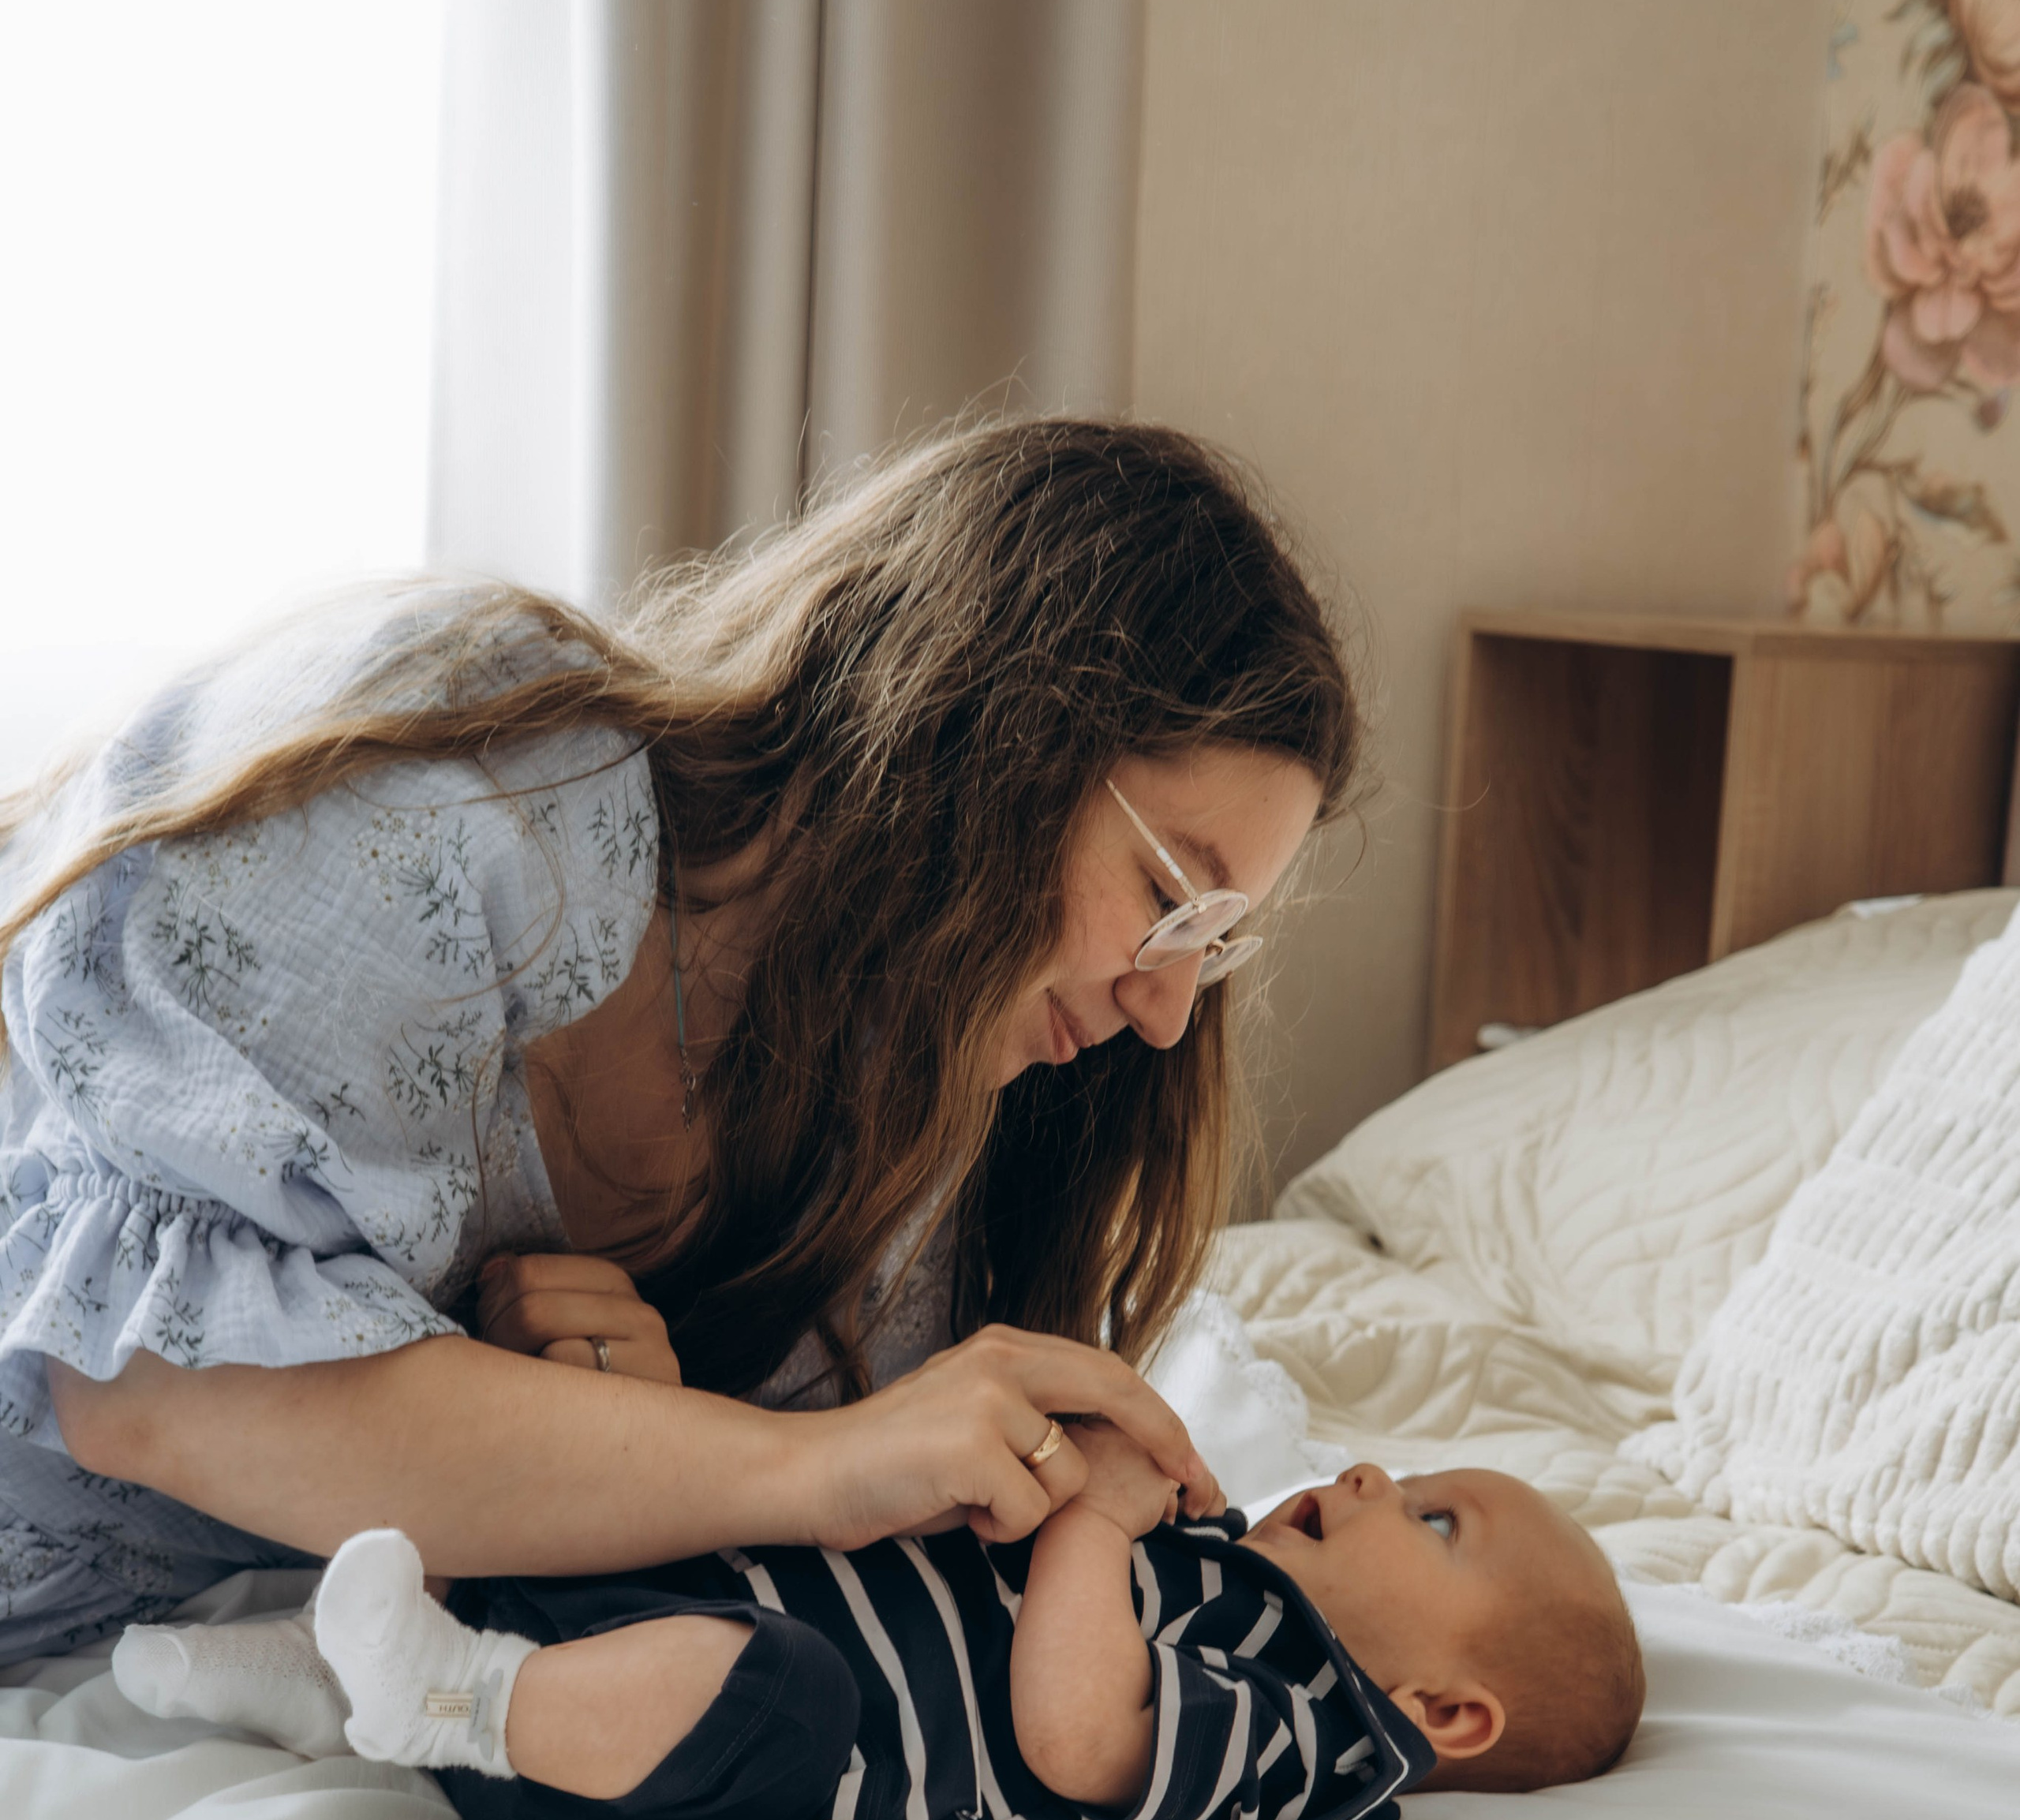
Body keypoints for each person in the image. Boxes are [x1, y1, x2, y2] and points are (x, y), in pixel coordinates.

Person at [0, 420, 1356, 1663]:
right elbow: (138, 1382)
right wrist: (793, 1463)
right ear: (987, 727)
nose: (1167, 1016)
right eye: (1170, 900)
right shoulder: (466, 793)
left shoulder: (925, 1142)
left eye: (1217, 945)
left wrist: (637, 1445)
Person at [114, 1429, 1644, 1820]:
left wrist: (1092, 1524)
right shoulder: (1216, 1555)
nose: (1373, 1475)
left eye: (1434, 1521)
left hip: (715, 1768)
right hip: (687, 1621)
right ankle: (332, 1680)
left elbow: (1073, 1737)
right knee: (636, 1506)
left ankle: (449, 1699)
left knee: (787, 1687)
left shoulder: (1312, 1738)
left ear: (1447, 1712)